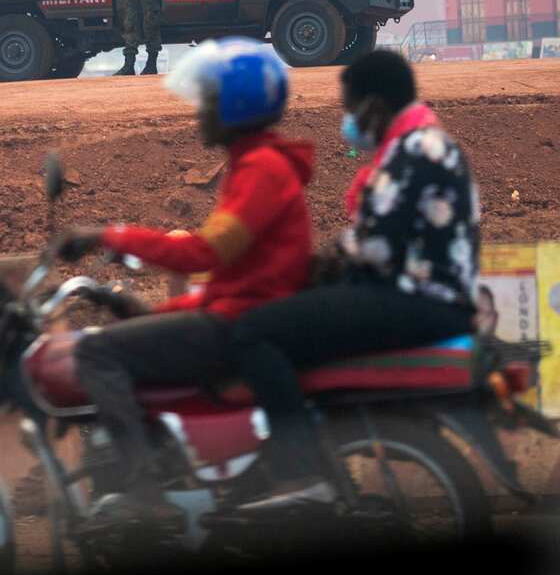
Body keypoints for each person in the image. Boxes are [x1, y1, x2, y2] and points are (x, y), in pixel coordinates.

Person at [54, 38, 313, 512]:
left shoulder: (263, 171)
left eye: (208, 103)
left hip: (240, 326)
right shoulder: (252, 166)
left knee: (93, 351)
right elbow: (230, 281)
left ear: (234, 108)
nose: (199, 115)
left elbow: (204, 252)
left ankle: (144, 485)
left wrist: (108, 235)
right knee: (128, 338)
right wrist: (162, 311)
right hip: (237, 315)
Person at [226, 50, 478, 512]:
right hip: (423, 294)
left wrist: (320, 264)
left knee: (254, 331)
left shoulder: (415, 150)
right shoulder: (424, 144)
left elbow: (376, 247)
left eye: (349, 107)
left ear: (374, 107)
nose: (347, 120)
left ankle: (299, 471)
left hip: (416, 299)